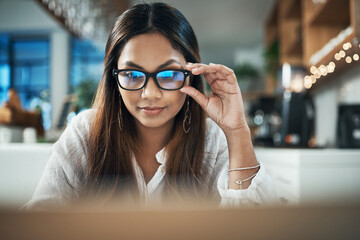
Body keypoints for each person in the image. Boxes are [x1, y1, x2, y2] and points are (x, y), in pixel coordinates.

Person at [23, 2, 276, 210]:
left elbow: (253, 228)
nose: (150, 93)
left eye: (168, 75)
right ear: (115, 78)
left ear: (191, 74)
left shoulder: (212, 141)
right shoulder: (85, 133)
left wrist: (237, 129)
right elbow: (39, 223)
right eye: (132, 75)